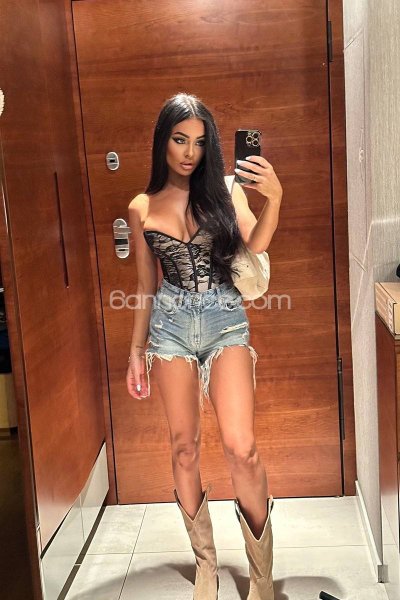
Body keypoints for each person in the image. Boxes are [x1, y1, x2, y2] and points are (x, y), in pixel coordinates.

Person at [126, 93, 282, 600]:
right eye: (179, 140)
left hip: (224, 319)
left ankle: (261, 576)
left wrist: (274, 198)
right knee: (184, 447)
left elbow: (255, 244)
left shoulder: (225, 191)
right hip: (169, 326)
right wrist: (135, 352)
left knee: (243, 448)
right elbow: (145, 286)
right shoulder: (141, 207)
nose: (189, 152)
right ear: (163, 141)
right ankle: (206, 565)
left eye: (198, 141)